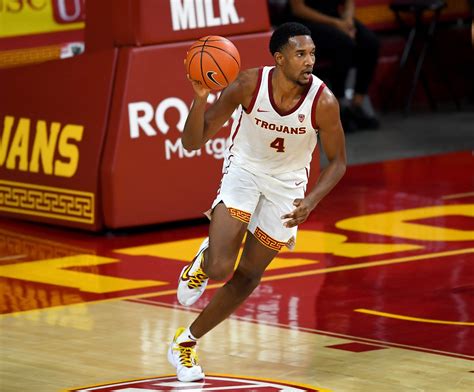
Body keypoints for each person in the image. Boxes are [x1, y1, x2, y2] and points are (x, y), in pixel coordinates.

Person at [167, 22, 347, 382]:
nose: (309, 61)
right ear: (279, 59)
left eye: (312, 53)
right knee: (220, 268)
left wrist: (310, 201)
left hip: (288, 186)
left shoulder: (323, 102)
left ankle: (185, 343)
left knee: (248, 276)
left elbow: (338, 162)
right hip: (245, 172)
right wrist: (200, 98)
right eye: (300, 54)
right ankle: (205, 261)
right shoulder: (249, 85)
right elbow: (192, 142)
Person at [287, 0, 380, 131]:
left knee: (370, 43)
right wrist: (336, 23)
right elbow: (298, 9)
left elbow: (348, 3)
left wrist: (348, 19)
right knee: (344, 44)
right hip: (305, 24)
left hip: (335, 19)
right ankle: (339, 105)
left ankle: (357, 103)